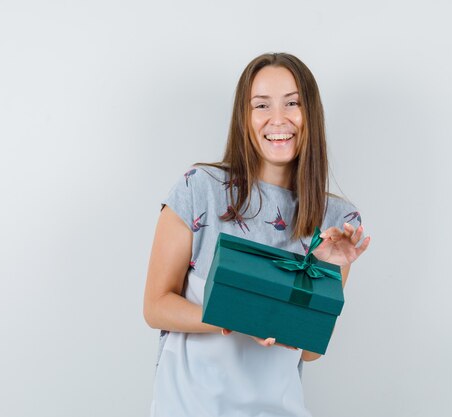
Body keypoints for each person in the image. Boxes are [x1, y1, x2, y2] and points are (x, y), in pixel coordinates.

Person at [143, 52, 371, 417]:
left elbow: (310, 350)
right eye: (261, 105)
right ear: (244, 118)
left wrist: (322, 270)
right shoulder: (200, 189)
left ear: (310, 113)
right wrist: (236, 316)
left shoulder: (336, 219)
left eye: (292, 103)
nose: (278, 119)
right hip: (190, 405)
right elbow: (156, 306)